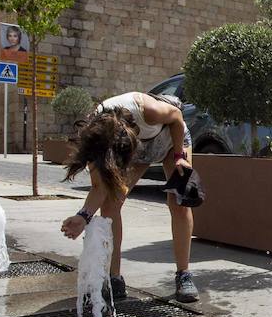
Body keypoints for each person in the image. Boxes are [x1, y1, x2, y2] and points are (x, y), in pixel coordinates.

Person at [59, 90, 199, 303]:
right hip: (136, 145)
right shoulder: (96, 138)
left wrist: (180, 156)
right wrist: (82, 217)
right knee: (111, 204)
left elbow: (177, 119)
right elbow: (100, 188)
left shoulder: (147, 110)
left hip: (172, 140)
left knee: (179, 200)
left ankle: (184, 275)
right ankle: (115, 279)